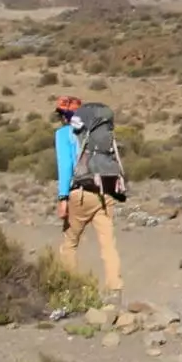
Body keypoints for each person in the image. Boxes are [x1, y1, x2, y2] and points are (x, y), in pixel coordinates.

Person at [53, 95, 124, 299]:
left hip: (81, 193)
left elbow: (65, 166)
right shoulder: (98, 134)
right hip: (105, 190)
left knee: (70, 243)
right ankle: (115, 289)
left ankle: (71, 291)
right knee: (108, 244)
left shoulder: (64, 134)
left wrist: (62, 197)